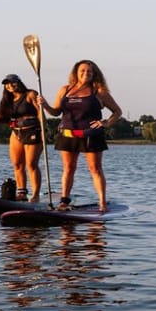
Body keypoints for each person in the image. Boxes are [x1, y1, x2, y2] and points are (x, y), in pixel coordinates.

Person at [40, 60, 123, 213]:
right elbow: (56, 112)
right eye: (82, 71)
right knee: (68, 168)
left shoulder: (99, 91)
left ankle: (102, 203)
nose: (86, 73)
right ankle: (64, 201)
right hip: (67, 134)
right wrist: (44, 105)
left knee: (95, 168)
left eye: (89, 71)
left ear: (94, 74)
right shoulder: (65, 89)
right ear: (76, 73)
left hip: (91, 135)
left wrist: (105, 123)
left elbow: (117, 112)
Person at [0, 74, 44, 202]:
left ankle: (35, 195)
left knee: (31, 164)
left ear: (19, 82)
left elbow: (40, 113)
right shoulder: (7, 100)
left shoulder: (30, 94)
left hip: (32, 131)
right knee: (17, 165)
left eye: (12, 82)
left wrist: (43, 130)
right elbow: (2, 120)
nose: (10, 86)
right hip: (15, 133)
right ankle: (22, 193)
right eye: (7, 84)